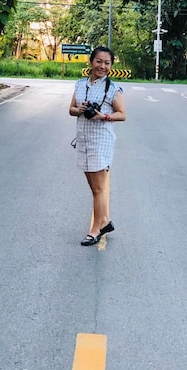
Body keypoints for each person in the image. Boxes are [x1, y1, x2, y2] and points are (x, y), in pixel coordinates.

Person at [69, 46, 126, 246]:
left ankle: (96, 229)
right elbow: (71, 109)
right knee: (94, 187)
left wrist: (103, 116)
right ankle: (106, 221)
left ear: (111, 65)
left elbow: (122, 114)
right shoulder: (80, 85)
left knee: (98, 189)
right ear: (91, 62)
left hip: (101, 140)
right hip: (83, 140)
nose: (102, 66)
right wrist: (80, 109)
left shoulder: (112, 88)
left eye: (107, 63)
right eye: (99, 61)